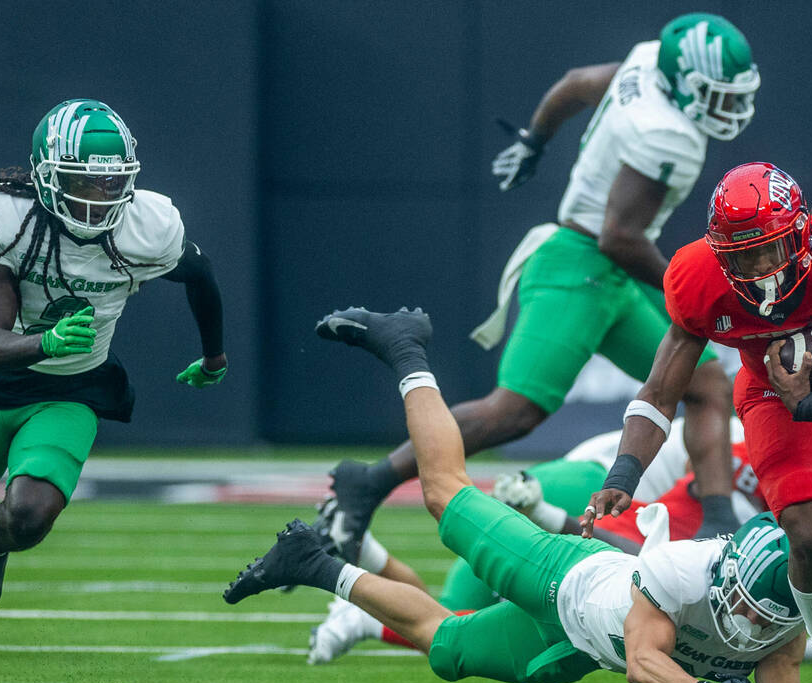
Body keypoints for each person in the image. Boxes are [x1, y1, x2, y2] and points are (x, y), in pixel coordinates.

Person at [315, 12, 765, 562]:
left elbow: (574, 84)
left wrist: (535, 139)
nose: (727, 108)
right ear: (683, 82)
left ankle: (715, 521)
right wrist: (697, 286)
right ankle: (371, 480)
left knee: (706, 385)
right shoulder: (667, 134)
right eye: (715, 95)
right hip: (582, 265)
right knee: (515, 411)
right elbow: (619, 238)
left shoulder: (648, 64)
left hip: (605, 270)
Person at [227, 306, 807, 683]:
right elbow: (643, 663)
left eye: (762, 616)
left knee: (448, 649)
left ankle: (313, 563)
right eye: (743, 602)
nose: (747, 621)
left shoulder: (788, 616)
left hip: (579, 645)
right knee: (443, 494)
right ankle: (404, 347)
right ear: (725, 572)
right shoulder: (685, 570)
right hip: (564, 575)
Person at [0, 99, 229, 683]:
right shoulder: (8, 219)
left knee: (29, 517)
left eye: (114, 178)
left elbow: (200, 275)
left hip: (73, 389)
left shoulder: (149, 226)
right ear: (45, 176)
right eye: (84, 177)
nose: (100, 191)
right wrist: (45, 341)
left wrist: (214, 355)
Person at [585, 162, 812, 683]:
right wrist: (625, 471)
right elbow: (661, 390)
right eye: (740, 255)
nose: (758, 267)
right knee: (810, 526)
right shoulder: (699, 277)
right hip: (770, 391)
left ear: (800, 232)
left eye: (768, 250)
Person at [307, 417, 812, 668]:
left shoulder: (774, 472)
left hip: (601, 498)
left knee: (456, 619)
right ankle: (355, 595)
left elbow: (776, 594)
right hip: (590, 497)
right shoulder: (749, 453)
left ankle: (356, 568)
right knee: (464, 615)